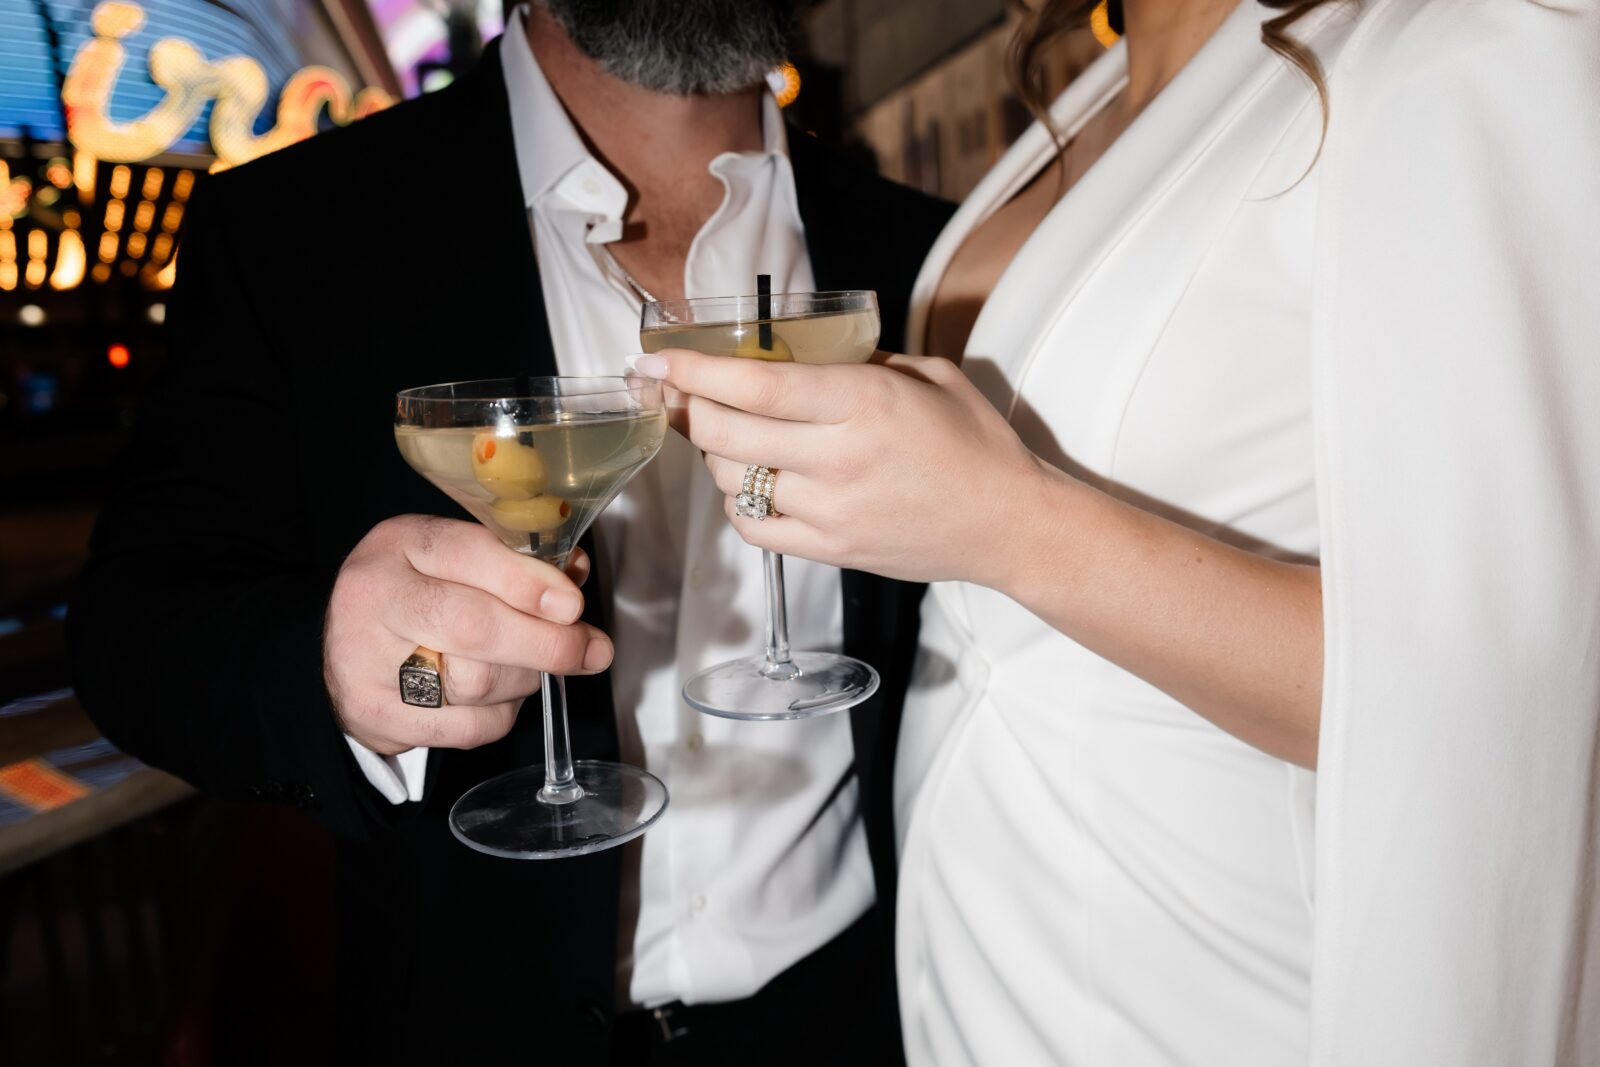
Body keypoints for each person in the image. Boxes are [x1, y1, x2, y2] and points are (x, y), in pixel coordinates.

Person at [639, 0, 1600, 1062]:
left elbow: (1506, 683)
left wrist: (1012, 527)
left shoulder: (1461, 42)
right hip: (972, 976)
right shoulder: (1092, 96)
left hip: (1208, 981)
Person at [66, 1, 951, 1062]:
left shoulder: (925, 248)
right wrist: (339, 669)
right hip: (480, 1028)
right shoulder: (294, 230)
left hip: (862, 1016)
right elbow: (134, 631)